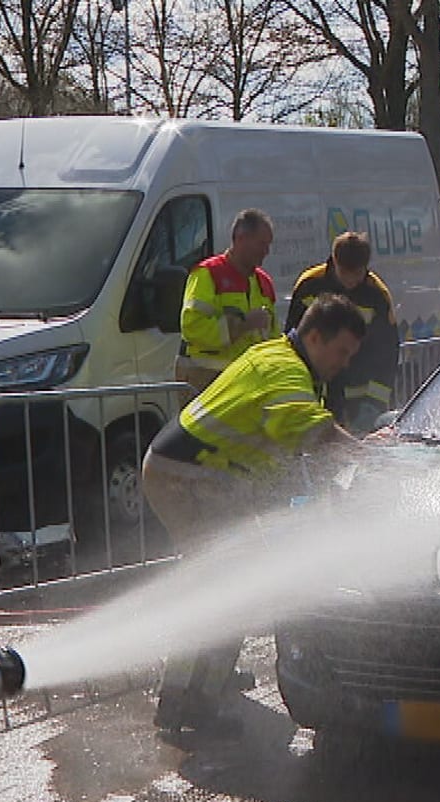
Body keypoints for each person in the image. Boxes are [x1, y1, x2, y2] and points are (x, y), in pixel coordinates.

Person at [142, 295, 368, 732]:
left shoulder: (283, 358)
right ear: (315, 336)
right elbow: (302, 425)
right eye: (341, 352)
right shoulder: (284, 369)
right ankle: (185, 701)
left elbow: (282, 449)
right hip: (188, 478)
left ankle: (203, 690)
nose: (344, 363)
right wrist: (363, 453)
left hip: (205, 478)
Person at [286, 231, 401, 434]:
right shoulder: (310, 284)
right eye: (345, 273)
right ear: (334, 260)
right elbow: (293, 339)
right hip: (314, 392)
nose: (350, 281)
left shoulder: (377, 295)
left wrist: (375, 404)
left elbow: (387, 353)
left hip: (358, 399)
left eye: (357, 274)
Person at [177, 209, 278, 393]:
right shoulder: (207, 274)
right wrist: (242, 325)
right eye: (261, 244)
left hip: (247, 385)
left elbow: (274, 338)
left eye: (268, 245)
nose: (267, 251)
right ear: (241, 239)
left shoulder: (264, 283)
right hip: (206, 382)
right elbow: (192, 328)